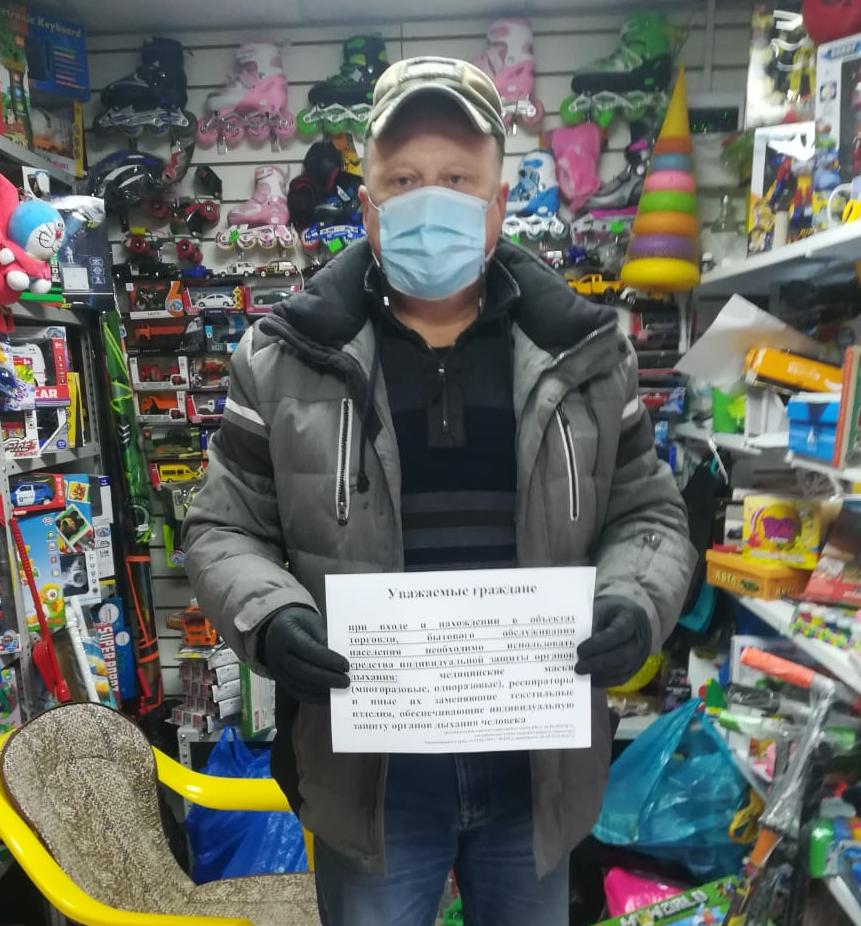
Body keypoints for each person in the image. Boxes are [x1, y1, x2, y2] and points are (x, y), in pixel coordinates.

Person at [184, 56, 695, 926]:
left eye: (457, 179)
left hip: (535, 768)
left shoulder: (586, 352)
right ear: (367, 203)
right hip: (368, 777)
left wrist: (634, 603)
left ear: (498, 203)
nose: (431, 201)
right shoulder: (282, 356)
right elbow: (222, 527)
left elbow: (647, 512)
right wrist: (270, 617)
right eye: (403, 180)